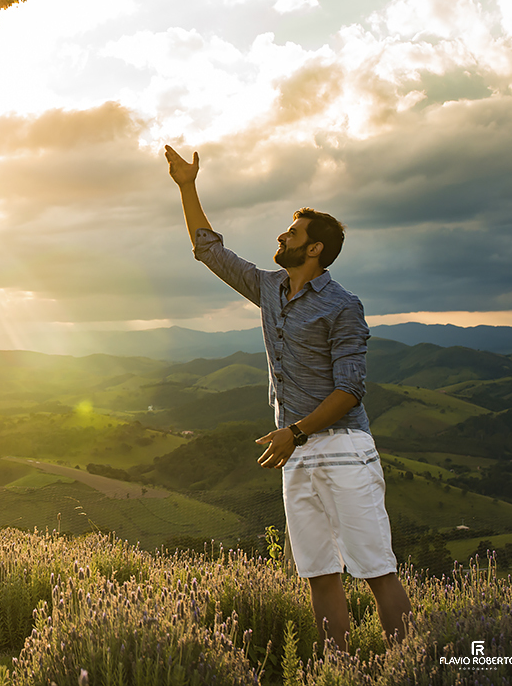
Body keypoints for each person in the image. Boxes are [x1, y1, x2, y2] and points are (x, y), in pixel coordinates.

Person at [164, 146, 411, 652]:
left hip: (342, 448)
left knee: (376, 570)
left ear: (315, 249)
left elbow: (350, 390)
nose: (282, 236)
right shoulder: (269, 289)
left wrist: (295, 432)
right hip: (295, 453)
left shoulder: (343, 306)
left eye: (292, 233)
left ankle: (418, 668)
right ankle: (337, 670)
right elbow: (209, 250)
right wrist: (187, 186)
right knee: (319, 573)